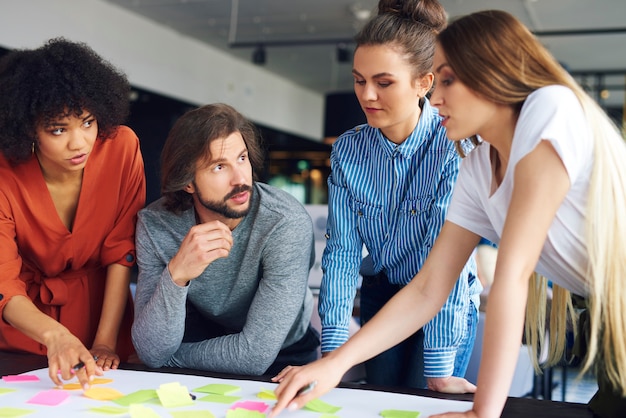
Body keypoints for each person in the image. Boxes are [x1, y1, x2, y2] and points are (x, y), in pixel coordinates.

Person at [269, 9, 626, 418]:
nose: (435, 98)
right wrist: (334, 363)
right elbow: (428, 287)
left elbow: (511, 278)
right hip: (608, 317)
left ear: (492, 74)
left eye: (448, 80)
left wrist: (482, 413)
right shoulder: (475, 167)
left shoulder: (550, 108)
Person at [318, 0, 481, 392]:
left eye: (384, 82)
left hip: (445, 302)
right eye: (359, 80)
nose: (367, 95)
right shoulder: (348, 151)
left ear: (425, 82)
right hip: (384, 295)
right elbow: (341, 254)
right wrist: (334, 352)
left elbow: (448, 269)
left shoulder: (455, 148)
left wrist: (440, 367)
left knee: (425, 399)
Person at [131, 103, 319, 376]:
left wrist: (169, 360)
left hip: (283, 354)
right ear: (188, 182)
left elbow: (253, 356)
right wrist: (177, 274)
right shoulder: (156, 224)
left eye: (242, 158)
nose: (240, 179)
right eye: (219, 167)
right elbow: (151, 348)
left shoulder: (284, 222)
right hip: (204, 335)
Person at [0, 38, 146, 389]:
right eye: (58, 129)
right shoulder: (4, 174)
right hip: (27, 327)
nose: (79, 142)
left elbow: (121, 253)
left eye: (88, 122)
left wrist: (106, 341)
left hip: (103, 316)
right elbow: (3, 281)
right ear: (27, 129)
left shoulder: (121, 149)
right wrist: (55, 336)